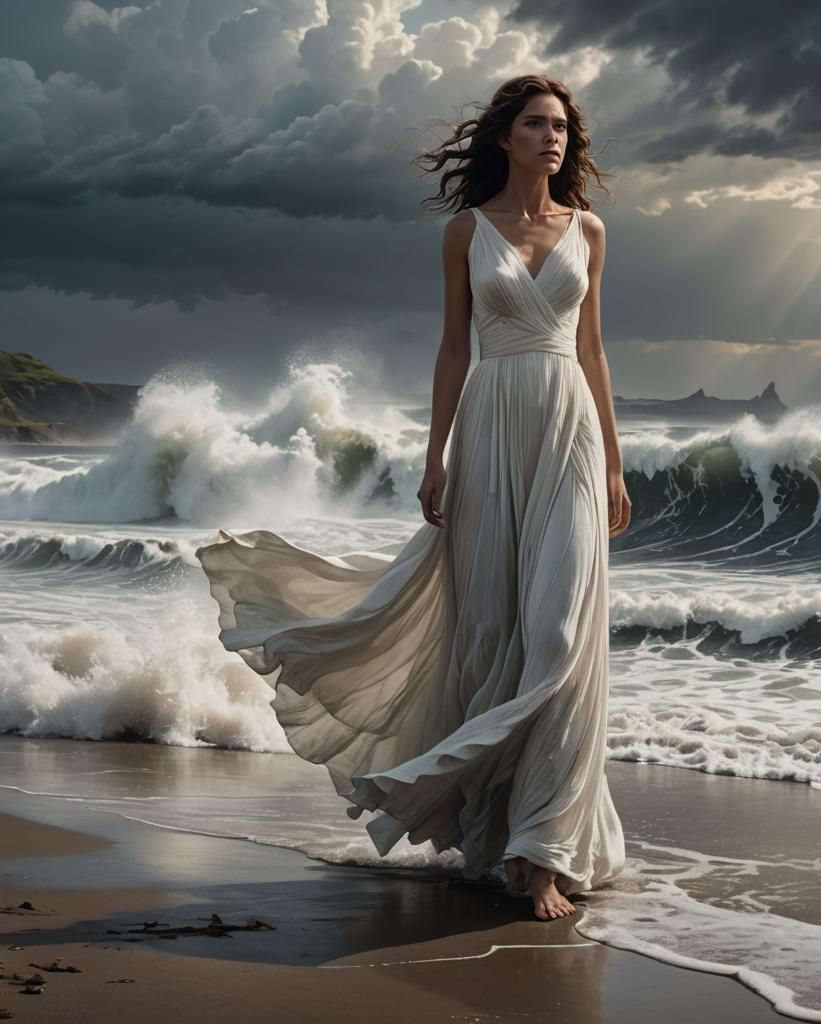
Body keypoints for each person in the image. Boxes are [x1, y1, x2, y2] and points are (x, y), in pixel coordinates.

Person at [196, 73, 630, 922]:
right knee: (493, 633)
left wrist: (615, 462)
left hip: (568, 434)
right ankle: (504, 833)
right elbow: (452, 350)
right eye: (537, 125)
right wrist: (435, 456)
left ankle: (544, 851)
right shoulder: (465, 232)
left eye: (563, 128)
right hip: (491, 429)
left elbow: (594, 351)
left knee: (560, 633)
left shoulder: (591, 231)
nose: (554, 139)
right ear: (504, 137)